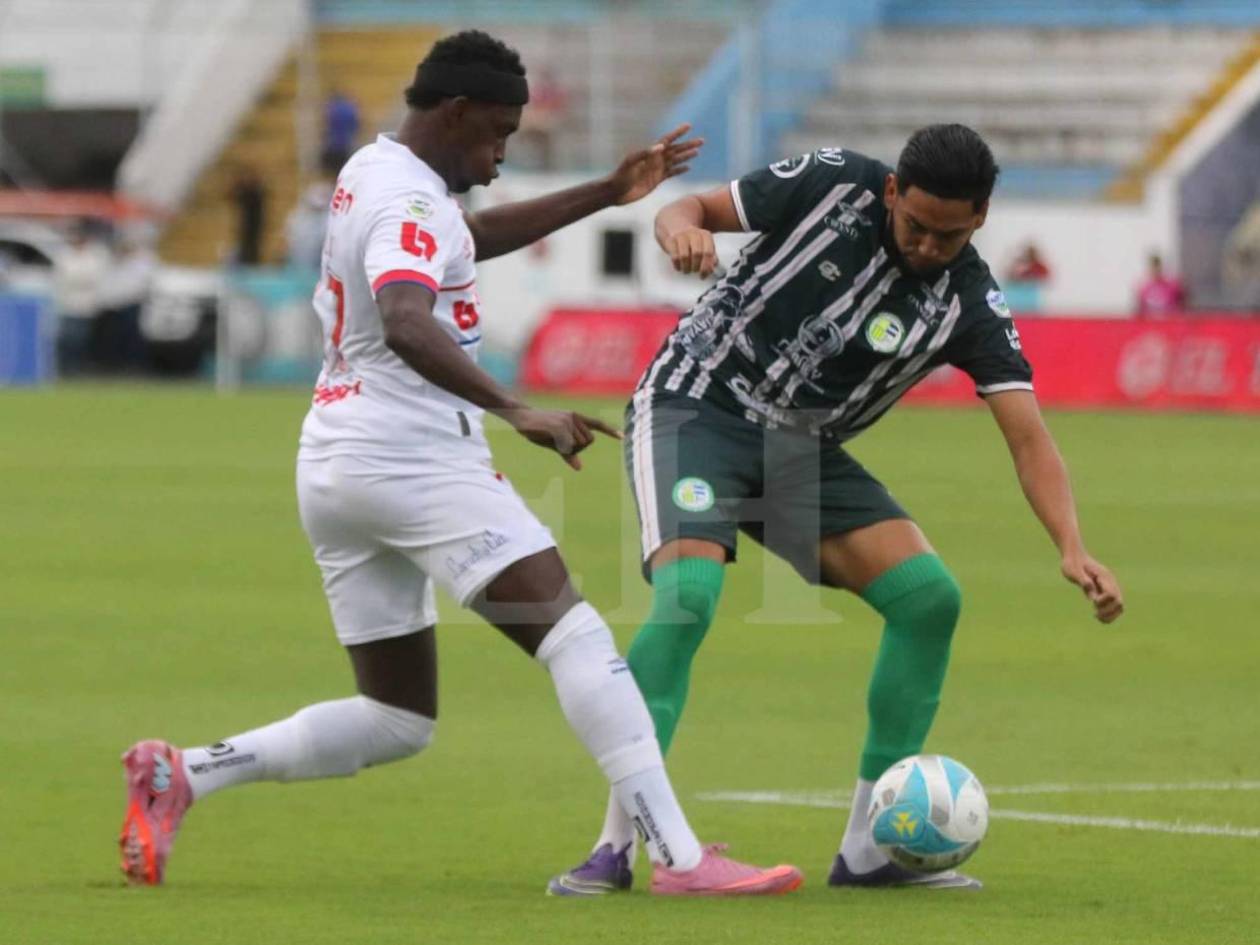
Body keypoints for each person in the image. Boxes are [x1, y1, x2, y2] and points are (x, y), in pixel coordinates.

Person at [118, 29, 801, 899]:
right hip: (413, 458)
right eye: (498, 132)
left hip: (337, 459)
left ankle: (184, 772)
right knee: (577, 636)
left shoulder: (379, 168)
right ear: (456, 112)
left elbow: (462, 239)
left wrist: (606, 191)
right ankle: (678, 855)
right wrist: (513, 408)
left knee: (395, 717)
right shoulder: (406, 200)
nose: (504, 150)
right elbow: (407, 318)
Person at [547, 126, 1125, 896]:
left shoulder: (971, 303)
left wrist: (1071, 545)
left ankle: (868, 850)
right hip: (697, 404)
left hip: (797, 454)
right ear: (891, 192)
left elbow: (1028, 437)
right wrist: (680, 230)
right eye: (915, 224)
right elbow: (689, 206)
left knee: (928, 600)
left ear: (981, 218)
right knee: (687, 597)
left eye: (948, 234)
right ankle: (617, 846)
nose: (925, 246)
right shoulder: (833, 182)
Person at [53, 220, 111, 375]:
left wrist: (78, 279)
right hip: (67, 304)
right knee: (67, 339)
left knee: (82, 339)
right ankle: (65, 368)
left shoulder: (96, 254)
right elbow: (62, 277)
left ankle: (78, 368)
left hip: (88, 305)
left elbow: (97, 276)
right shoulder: (64, 254)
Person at [322, 88, 361, 175]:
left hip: (332, 145)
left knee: (331, 173)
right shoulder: (350, 108)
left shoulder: (331, 108)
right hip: (346, 146)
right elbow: (356, 126)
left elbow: (325, 125)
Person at [1134, 253, 1186, 317]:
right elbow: (1140, 309)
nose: (1155, 270)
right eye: (1153, 267)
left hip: (1169, 322)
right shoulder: (1144, 288)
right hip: (1151, 323)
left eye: (1157, 266)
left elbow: (1183, 305)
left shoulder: (1172, 286)